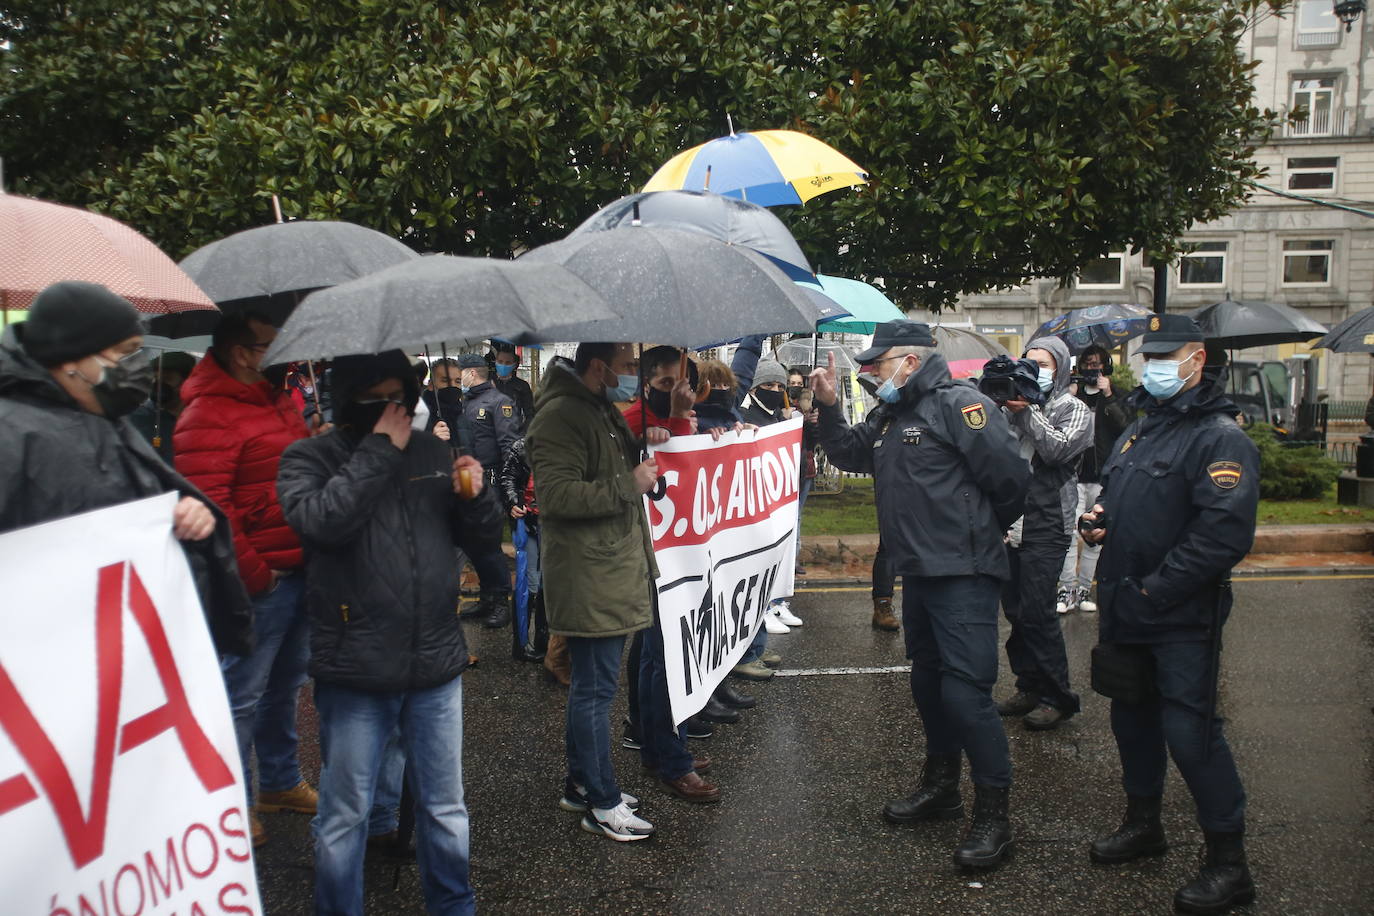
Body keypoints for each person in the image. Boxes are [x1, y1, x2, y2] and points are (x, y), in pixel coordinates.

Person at [276, 350, 492, 915]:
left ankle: (454, 905)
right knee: (345, 814)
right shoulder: (308, 457)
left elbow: (482, 542)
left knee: (445, 808)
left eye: (402, 397)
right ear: (352, 401)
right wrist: (377, 452)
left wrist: (476, 496)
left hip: (435, 664)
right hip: (355, 668)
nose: (395, 410)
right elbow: (321, 521)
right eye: (379, 400)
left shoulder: (431, 451)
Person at [811, 320, 1029, 870]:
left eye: (877, 364)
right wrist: (831, 406)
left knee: (966, 694)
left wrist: (977, 529)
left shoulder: (959, 405)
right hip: (921, 572)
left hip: (963, 571)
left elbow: (1008, 479)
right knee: (929, 685)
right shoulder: (893, 411)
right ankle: (942, 786)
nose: (870, 373)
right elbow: (848, 454)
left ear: (910, 360)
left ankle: (994, 817)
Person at [1080, 315, 1260, 915]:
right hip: (1128, 605)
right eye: (1149, 354)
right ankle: (1144, 825)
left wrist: (1157, 590)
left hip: (1180, 613)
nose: (1155, 365)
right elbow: (1122, 494)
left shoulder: (1219, 437)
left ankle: (1228, 864)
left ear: (1197, 359)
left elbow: (1221, 535)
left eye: (1167, 355)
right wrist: (1101, 517)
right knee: (1133, 722)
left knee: (1191, 733)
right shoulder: (1144, 427)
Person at [0, 281, 252, 657]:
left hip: (121, 645)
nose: (139, 367)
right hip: (49, 662)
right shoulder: (11, 433)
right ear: (73, 360)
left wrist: (189, 513)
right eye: (126, 353)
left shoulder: (106, 419)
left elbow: (143, 498)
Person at [531, 343, 719, 840]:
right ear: (600, 367)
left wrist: (670, 428)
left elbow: (624, 463)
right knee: (595, 691)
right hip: (590, 571)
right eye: (629, 366)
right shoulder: (561, 416)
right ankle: (602, 801)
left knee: (595, 687)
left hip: (607, 564)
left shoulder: (593, 408)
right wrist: (628, 483)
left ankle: (581, 784)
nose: (632, 374)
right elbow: (555, 496)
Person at [175, 310, 318, 845]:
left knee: (285, 688)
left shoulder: (277, 399)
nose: (281, 353)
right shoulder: (206, 415)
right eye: (269, 345)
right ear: (241, 351)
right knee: (239, 696)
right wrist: (258, 576)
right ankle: (230, 802)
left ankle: (280, 783)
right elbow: (212, 511)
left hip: (298, 569)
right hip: (263, 582)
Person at [996, 336, 1093, 732]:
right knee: (1016, 611)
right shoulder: (1011, 402)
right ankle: (1029, 684)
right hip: (1012, 520)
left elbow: (1057, 450)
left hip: (1049, 520)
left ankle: (1058, 695)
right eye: (1029, 361)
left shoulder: (1075, 409)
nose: (1036, 368)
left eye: (1044, 362)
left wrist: (1027, 411)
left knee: (1038, 610)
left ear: (1062, 368)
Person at [1058, 345, 1133, 614]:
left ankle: (1084, 588)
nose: (1093, 369)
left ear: (1106, 366)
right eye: (1088, 364)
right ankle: (1065, 589)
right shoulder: (1070, 397)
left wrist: (1109, 394)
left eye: (1097, 364)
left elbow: (1126, 429)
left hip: (1101, 479)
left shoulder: (1115, 396)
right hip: (1073, 477)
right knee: (1068, 536)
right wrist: (1070, 397)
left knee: (1093, 535)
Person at [453, 352, 520, 629]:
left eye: (461, 375)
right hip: (469, 479)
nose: (460, 380)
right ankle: (485, 596)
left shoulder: (498, 402)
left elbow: (510, 447)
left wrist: (509, 488)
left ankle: (500, 602)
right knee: (474, 541)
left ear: (471, 373)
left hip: (491, 480)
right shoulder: (465, 402)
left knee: (490, 543)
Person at [498, 435, 549, 663]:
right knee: (529, 584)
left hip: (556, 526)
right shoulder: (522, 446)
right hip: (528, 524)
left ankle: (544, 639)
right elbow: (507, 477)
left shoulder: (571, 443)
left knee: (549, 584)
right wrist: (512, 502)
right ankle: (521, 645)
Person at [129, 349, 196, 463]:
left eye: (167, 379)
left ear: (187, 382)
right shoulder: (136, 419)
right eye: (154, 378)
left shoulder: (200, 422)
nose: (158, 384)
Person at [786, 365, 822, 578]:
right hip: (784, 468)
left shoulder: (808, 407)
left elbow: (814, 441)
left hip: (804, 467)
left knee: (797, 515)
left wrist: (811, 423)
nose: (796, 387)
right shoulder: (781, 409)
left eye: (800, 384)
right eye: (792, 384)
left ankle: (794, 558)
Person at [489, 341, 536, 425]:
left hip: (514, 432)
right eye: (500, 361)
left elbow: (530, 414)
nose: (503, 365)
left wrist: (523, 433)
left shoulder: (522, 386)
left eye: (507, 363)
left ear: (514, 365)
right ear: (495, 362)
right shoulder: (487, 382)